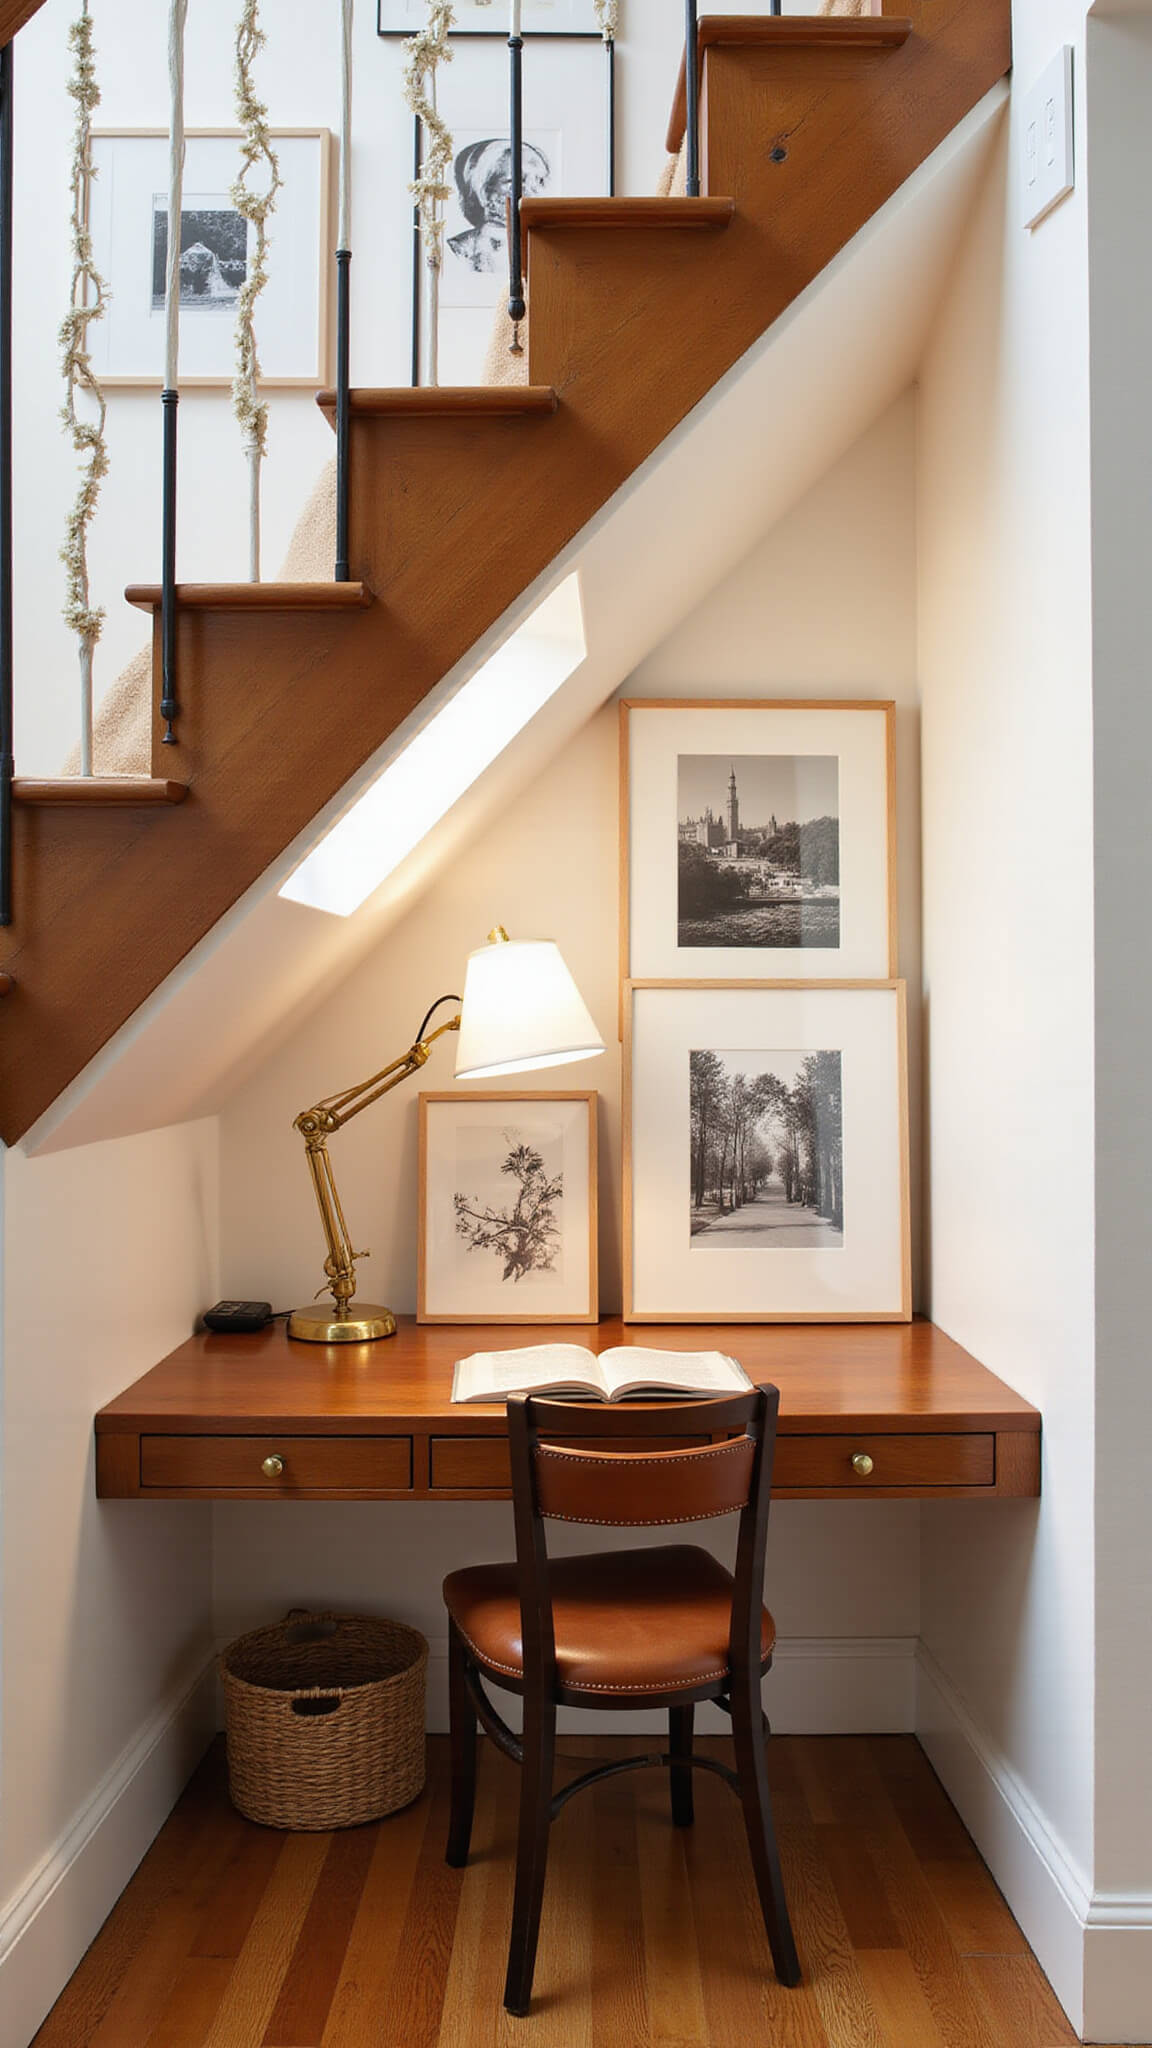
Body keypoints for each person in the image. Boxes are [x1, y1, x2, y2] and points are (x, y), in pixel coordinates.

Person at [447, 137, 550, 275]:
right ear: (484, 192)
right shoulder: (462, 250)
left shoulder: (547, 248)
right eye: (518, 181)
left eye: (540, 181)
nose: (534, 191)